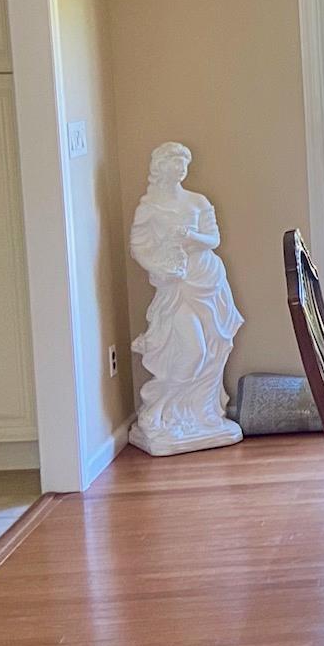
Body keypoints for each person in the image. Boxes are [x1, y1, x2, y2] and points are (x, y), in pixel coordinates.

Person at [129, 142, 244, 454]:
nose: (181, 168)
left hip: (209, 280)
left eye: (184, 163)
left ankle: (200, 413)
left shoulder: (198, 201)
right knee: (193, 352)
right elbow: (139, 247)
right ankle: (157, 408)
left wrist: (192, 237)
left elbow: (214, 239)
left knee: (213, 351)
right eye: (174, 162)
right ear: (160, 166)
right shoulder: (148, 208)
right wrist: (159, 268)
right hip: (177, 287)